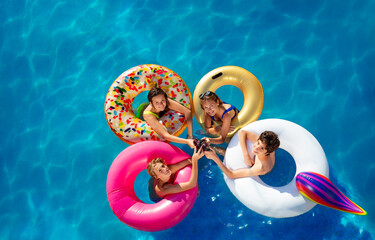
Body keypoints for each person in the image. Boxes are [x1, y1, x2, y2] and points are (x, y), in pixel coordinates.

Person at [205, 130, 280, 178]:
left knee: (225, 153)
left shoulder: (260, 168)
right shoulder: (264, 142)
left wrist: (215, 157)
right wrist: (246, 155)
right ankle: (208, 139)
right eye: (258, 143)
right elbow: (242, 132)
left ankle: (207, 146)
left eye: (262, 148)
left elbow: (231, 175)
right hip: (254, 158)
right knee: (228, 139)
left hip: (265, 173)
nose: (256, 147)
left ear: (267, 152)